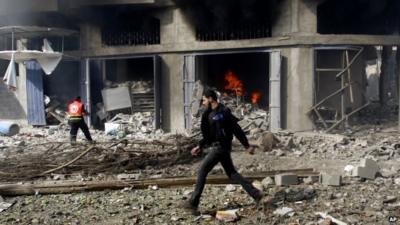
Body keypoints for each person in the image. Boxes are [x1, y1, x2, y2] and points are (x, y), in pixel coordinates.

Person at [183, 89, 263, 214]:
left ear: (211, 99)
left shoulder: (224, 111)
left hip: (221, 147)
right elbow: (208, 137)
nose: (203, 103)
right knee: (232, 173)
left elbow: (236, 129)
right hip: (219, 147)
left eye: (204, 100)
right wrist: (200, 146)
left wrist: (246, 145)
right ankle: (255, 194)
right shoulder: (207, 115)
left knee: (202, 170)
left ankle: (193, 203)